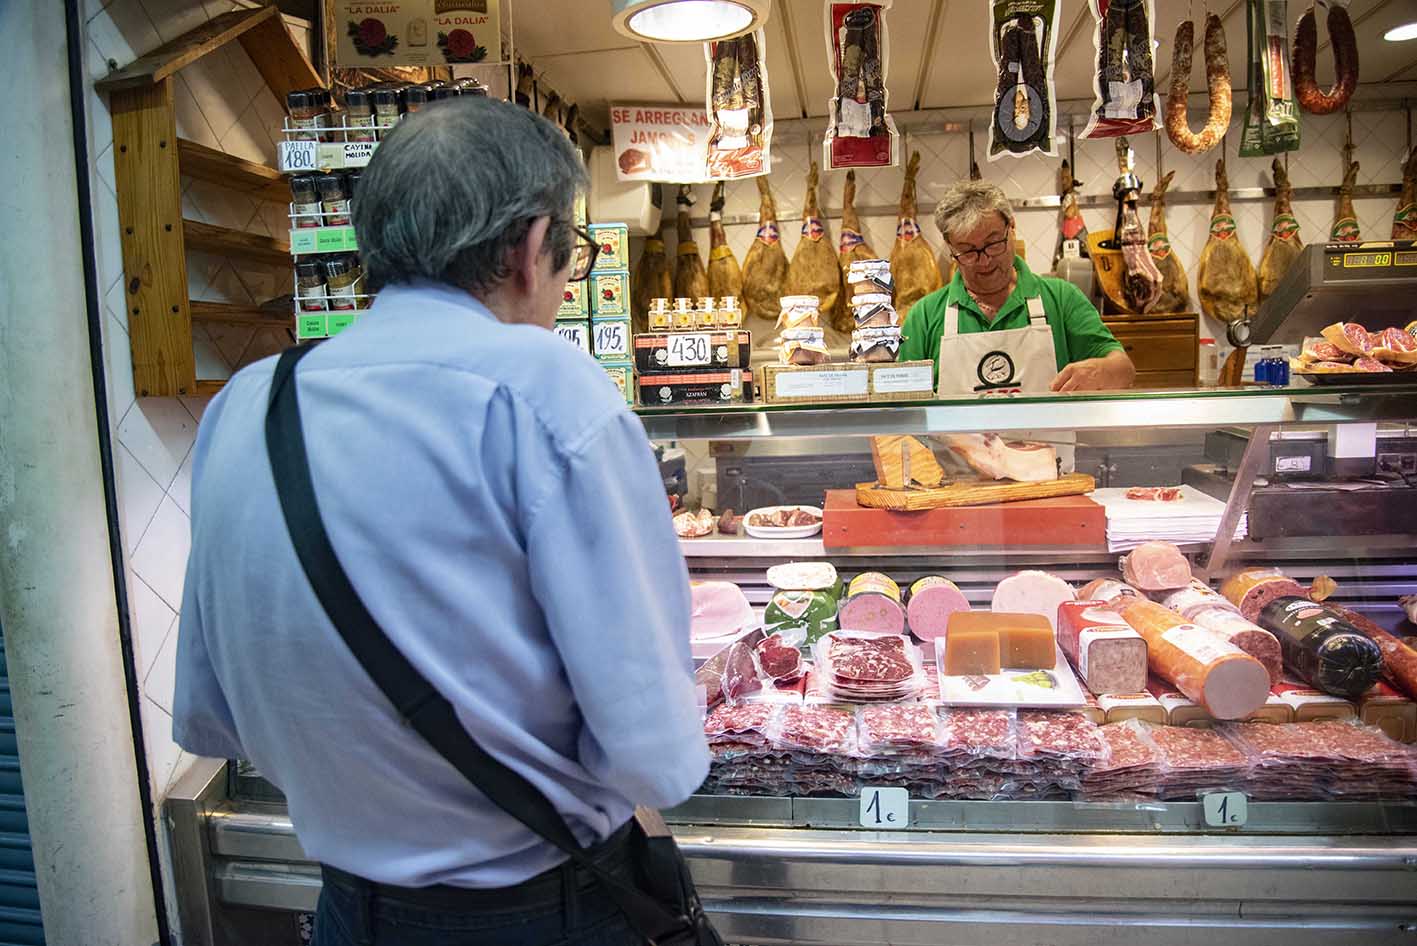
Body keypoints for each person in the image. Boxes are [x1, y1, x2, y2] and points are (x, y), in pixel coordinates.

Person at [172, 97, 708, 945]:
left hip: (348, 912)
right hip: (541, 914)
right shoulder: (544, 390)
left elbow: (213, 716)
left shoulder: (249, 402)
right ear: (534, 247)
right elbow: (655, 755)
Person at [899, 180, 1136, 394]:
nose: (984, 261)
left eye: (993, 243)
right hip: (958, 444)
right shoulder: (925, 315)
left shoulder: (1061, 298)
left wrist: (1100, 371)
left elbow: (1124, 371)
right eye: (968, 251)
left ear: (1011, 228)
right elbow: (903, 406)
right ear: (950, 247)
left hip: (1048, 441)